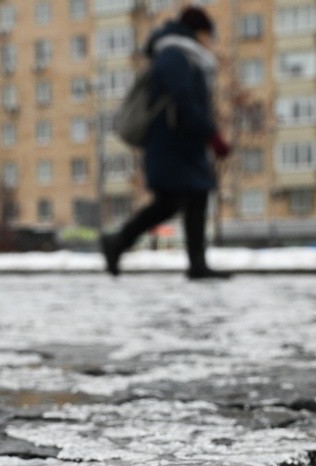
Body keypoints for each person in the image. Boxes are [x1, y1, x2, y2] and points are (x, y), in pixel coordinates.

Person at [101, 6, 233, 280]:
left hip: (183, 143)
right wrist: (212, 135)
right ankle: (118, 242)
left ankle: (196, 263)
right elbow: (184, 101)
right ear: (198, 32)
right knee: (172, 201)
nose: (209, 41)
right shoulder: (175, 55)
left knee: (193, 197)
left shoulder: (183, 56)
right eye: (208, 35)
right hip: (171, 144)